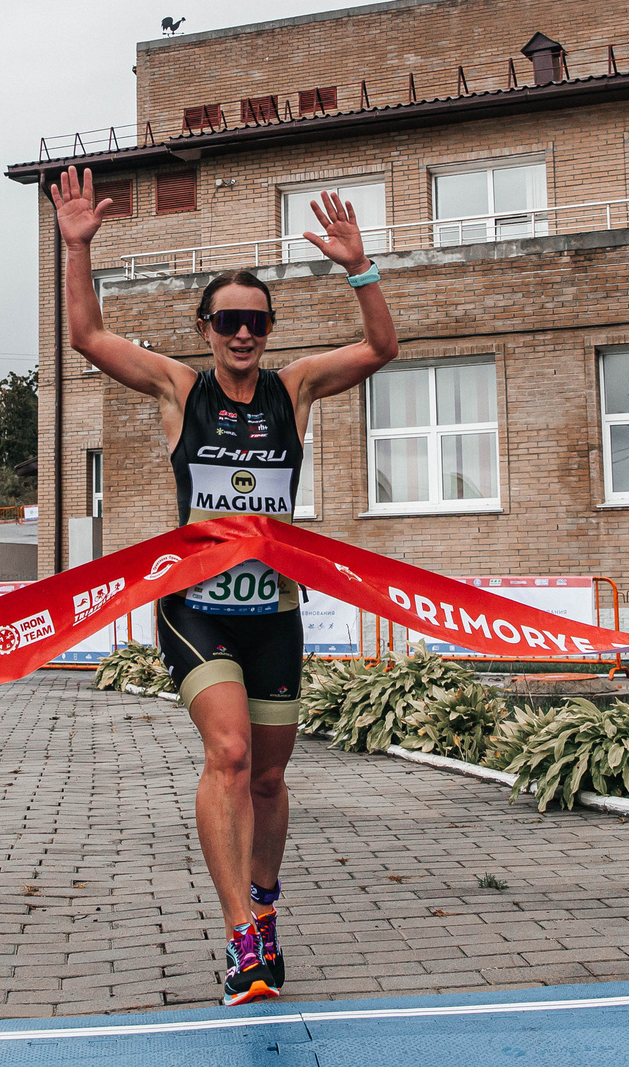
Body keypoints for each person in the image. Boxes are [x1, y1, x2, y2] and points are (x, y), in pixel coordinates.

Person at [50, 165, 397, 1006]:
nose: (243, 333)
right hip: (194, 606)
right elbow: (87, 337)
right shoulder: (181, 388)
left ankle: (265, 904)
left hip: (272, 608)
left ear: (269, 330)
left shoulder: (293, 388)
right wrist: (77, 248)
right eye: (228, 321)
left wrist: (360, 268)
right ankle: (242, 934)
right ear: (204, 328)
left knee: (269, 778)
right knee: (230, 754)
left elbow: (382, 349)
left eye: (256, 321)